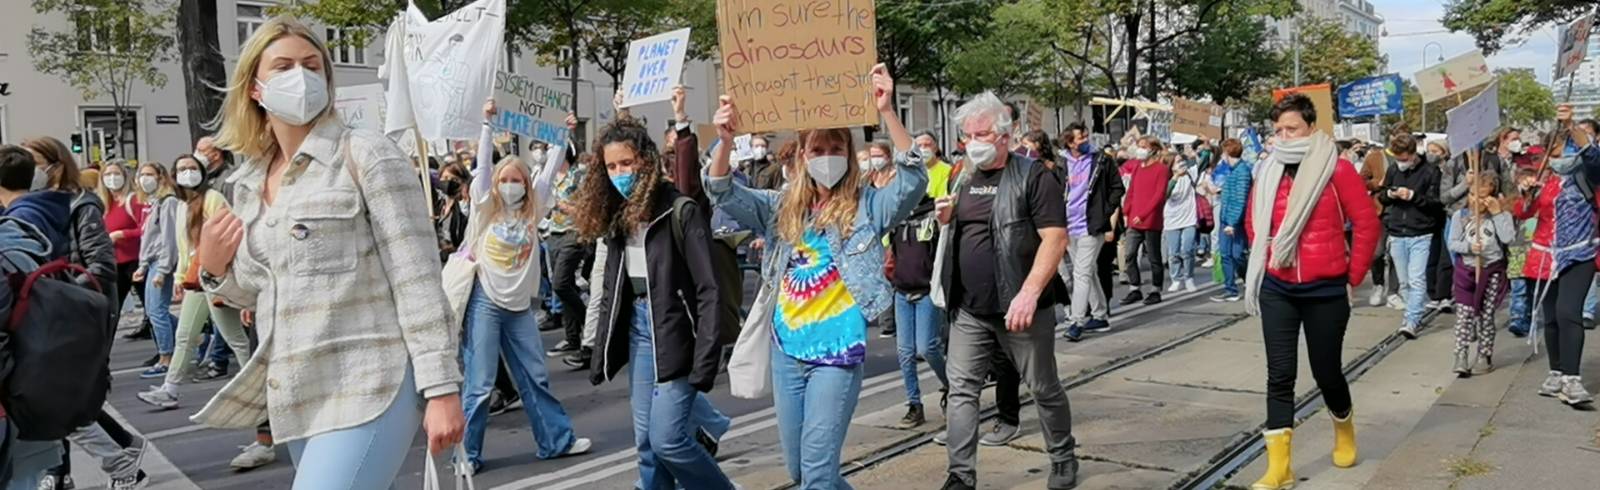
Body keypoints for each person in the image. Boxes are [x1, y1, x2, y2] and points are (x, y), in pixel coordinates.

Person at [197, 17, 464, 487]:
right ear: (256, 89)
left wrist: (441, 388)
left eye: (311, 65)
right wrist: (215, 268)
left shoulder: (367, 155)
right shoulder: (248, 183)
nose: (300, 76)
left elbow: (417, 277)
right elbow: (260, 292)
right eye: (282, 66)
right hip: (297, 389)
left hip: (370, 379)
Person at [707, 64, 927, 490]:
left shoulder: (869, 207)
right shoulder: (778, 208)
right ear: (803, 156)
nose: (826, 156)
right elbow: (720, 190)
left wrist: (888, 111)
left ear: (848, 153)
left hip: (838, 355)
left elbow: (913, 181)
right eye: (817, 149)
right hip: (787, 353)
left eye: (835, 147)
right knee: (801, 472)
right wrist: (725, 140)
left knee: (819, 475)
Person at [575, 115, 735, 488]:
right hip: (640, 330)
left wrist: (707, 356)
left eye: (626, 163)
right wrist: (599, 346)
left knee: (668, 441)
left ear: (645, 161)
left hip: (678, 332)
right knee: (646, 444)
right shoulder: (618, 217)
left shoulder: (681, 210)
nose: (619, 173)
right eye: (611, 166)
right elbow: (613, 288)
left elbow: (709, 290)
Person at [930, 92, 1076, 490]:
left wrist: (1029, 293)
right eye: (966, 136)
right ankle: (960, 475)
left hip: (1021, 309)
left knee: (1043, 387)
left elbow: (1055, 239)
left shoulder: (1033, 176)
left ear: (1004, 135)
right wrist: (947, 218)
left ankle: (1063, 456)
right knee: (961, 390)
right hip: (969, 309)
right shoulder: (964, 174)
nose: (971, 142)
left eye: (979, 134)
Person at [1244, 94, 1380, 490]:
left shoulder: (1336, 170)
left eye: (1292, 129)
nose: (1284, 136)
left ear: (1312, 129)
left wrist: (1350, 277)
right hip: (1278, 288)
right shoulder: (1267, 170)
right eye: (1278, 130)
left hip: (1325, 289)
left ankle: (1344, 426)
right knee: (1280, 375)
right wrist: (1268, 258)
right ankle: (1279, 467)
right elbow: (1256, 223)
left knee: (1326, 371)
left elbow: (1366, 224)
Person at [448, 100, 591, 474]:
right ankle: (467, 455)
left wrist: (564, 134)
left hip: (518, 309)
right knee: (479, 386)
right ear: (495, 185)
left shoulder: (535, 207)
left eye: (518, 180)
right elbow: (481, 169)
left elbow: (547, 174)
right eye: (505, 180)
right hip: (485, 302)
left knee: (535, 376)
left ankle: (556, 441)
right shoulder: (484, 208)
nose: (511, 186)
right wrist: (485, 124)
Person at [135, 155, 253, 409]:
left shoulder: (212, 199)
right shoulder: (181, 204)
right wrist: (180, 277)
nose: (187, 173)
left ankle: (254, 389)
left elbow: (228, 234)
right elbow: (184, 246)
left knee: (234, 337)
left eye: (191, 168)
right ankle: (170, 389)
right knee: (185, 335)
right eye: (181, 169)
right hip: (198, 280)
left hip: (214, 276)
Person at [1528, 105, 1599, 407]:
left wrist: (1571, 126)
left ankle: (1572, 379)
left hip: (1580, 253)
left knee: (1570, 312)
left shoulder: (1587, 172)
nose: (1560, 155)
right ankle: (1556, 372)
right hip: (1545, 255)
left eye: (1565, 147)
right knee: (1552, 317)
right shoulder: (1542, 176)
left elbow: (1594, 156)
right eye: (1555, 149)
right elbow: (1522, 213)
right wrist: (1525, 194)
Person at [877, 138, 951, 429]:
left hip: (927, 290)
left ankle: (950, 385)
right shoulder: (895, 216)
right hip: (901, 289)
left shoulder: (933, 211)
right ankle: (914, 404)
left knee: (928, 347)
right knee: (905, 352)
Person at [1060, 123, 1124, 341]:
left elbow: (1117, 187)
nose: (1085, 140)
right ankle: (1099, 314)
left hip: (1091, 226)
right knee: (1088, 271)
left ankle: (1077, 321)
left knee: (1081, 273)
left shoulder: (1102, 160)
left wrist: (1104, 213)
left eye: (1086, 136)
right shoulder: (1062, 163)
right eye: (1080, 138)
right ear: (1069, 142)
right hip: (1068, 226)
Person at [1447, 174, 1514, 376]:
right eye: (1473, 194)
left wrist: (1498, 213)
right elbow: (1452, 243)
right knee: (1464, 315)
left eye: (1483, 196)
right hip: (1466, 271)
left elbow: (1508, 238)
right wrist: (1468, 247)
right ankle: (1461, 354)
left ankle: (1484, 355)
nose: (1477, 200)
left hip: (1491, 270)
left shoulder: (1501, 215)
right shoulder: (1461, 216)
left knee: (1486, 316)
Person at [1378, 134, 1441, 339]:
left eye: (1404, 158)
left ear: (1414, 154)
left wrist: (1414, 197)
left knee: (1416, 279)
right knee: (1404, 282)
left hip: (1420, 232)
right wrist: (1390, 195)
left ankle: (1412, 320)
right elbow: (1382, 194)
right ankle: (1413, 311)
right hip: (1397, 231)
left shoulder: (1430, 171)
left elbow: (1435, 203)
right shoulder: (1394, 169)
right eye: (1398, 158)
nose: (1401, 163)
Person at [97, 160, 153, 341]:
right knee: (112, 308)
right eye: (107, 175)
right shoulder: (104, 203)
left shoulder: (133, 200)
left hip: (136, 261)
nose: (112, 179)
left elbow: (145, 228)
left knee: (152, 306)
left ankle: (164, 346)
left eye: (116, 174)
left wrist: (121, 234)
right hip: (115, 262)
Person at [1121, 136, 1171, 305]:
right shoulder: (1137, 168)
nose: (1140, 149)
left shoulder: (1161, 169)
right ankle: (1134, 287)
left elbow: (1158, 195)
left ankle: (1156, 289)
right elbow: (1132, 191)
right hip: (1134, 219)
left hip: (1151, 219)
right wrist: (1126, 210)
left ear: (1153, 150)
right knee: (1129, 254)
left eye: (1143, 146)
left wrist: (1143, 214)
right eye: (1139, 146)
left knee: (1154, 257)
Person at [1210, 139, 1252, 303]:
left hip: (1234, 221)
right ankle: (1230, 289)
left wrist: (1232, 223)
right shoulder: (1231, 170)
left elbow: (1240, 199)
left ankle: (1249, 279)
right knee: (1226, 254)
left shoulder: (1241, 171)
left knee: (1237, 255)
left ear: (1227, 153)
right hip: (1226, 218)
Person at [1163, 151, 1200, 293]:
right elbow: (1165, 194)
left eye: (1182, 161)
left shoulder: (1191, 174)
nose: (1181, 164)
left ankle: (1189, 277)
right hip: (1172, 220)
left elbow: (1204, 160)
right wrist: (1175, 177)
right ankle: (1176, 279)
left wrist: (1202, 149)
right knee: (1174, 253)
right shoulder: (1167, 178)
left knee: (1188, 250)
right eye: (1177, 162)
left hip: (1189, 218)